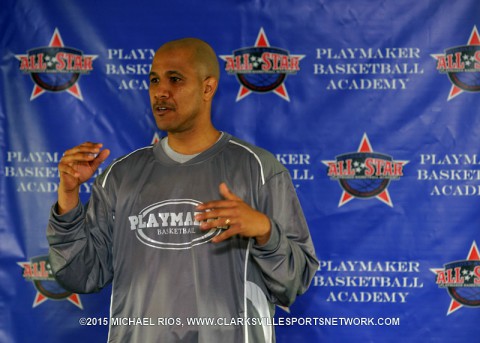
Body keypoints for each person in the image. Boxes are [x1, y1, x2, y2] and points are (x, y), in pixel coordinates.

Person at [47, 37, 318, 343]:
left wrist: (265, 231)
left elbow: (295, 281)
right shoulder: (120, 176)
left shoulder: (258, 169)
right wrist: (68, 197)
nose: (160, 91)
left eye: (175, 79)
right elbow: (80, 274)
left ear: (207, 88)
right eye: (153, 80)